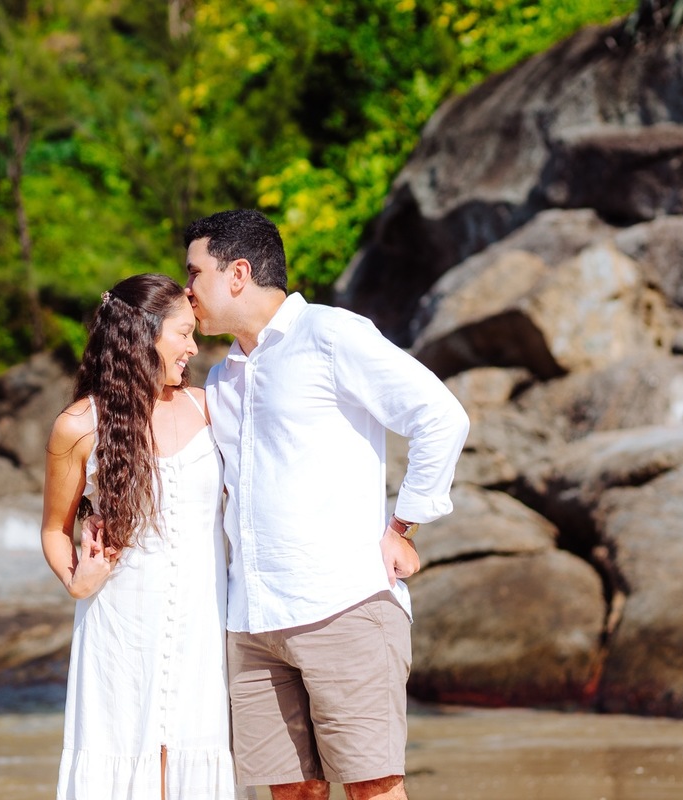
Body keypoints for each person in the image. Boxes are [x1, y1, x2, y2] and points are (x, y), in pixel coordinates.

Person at [183, 209, 470, 800]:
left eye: (194, 273)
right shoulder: (220, 379)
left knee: (373, 788)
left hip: (343, 605)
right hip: (252, 621)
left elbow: (440, 416)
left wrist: (403, 525)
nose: (187, 290)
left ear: (238, 273)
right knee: (292, 794)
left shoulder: (331, 334)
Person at [41, 273, 245, 800]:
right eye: (183, 333)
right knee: (122, 755)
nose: (194, 348)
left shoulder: (208, 407)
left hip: (203, 628)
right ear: (144, 334)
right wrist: (75, 579)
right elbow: (54, 529)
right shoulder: (80, 424)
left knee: (191, 760)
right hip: (119, 629)